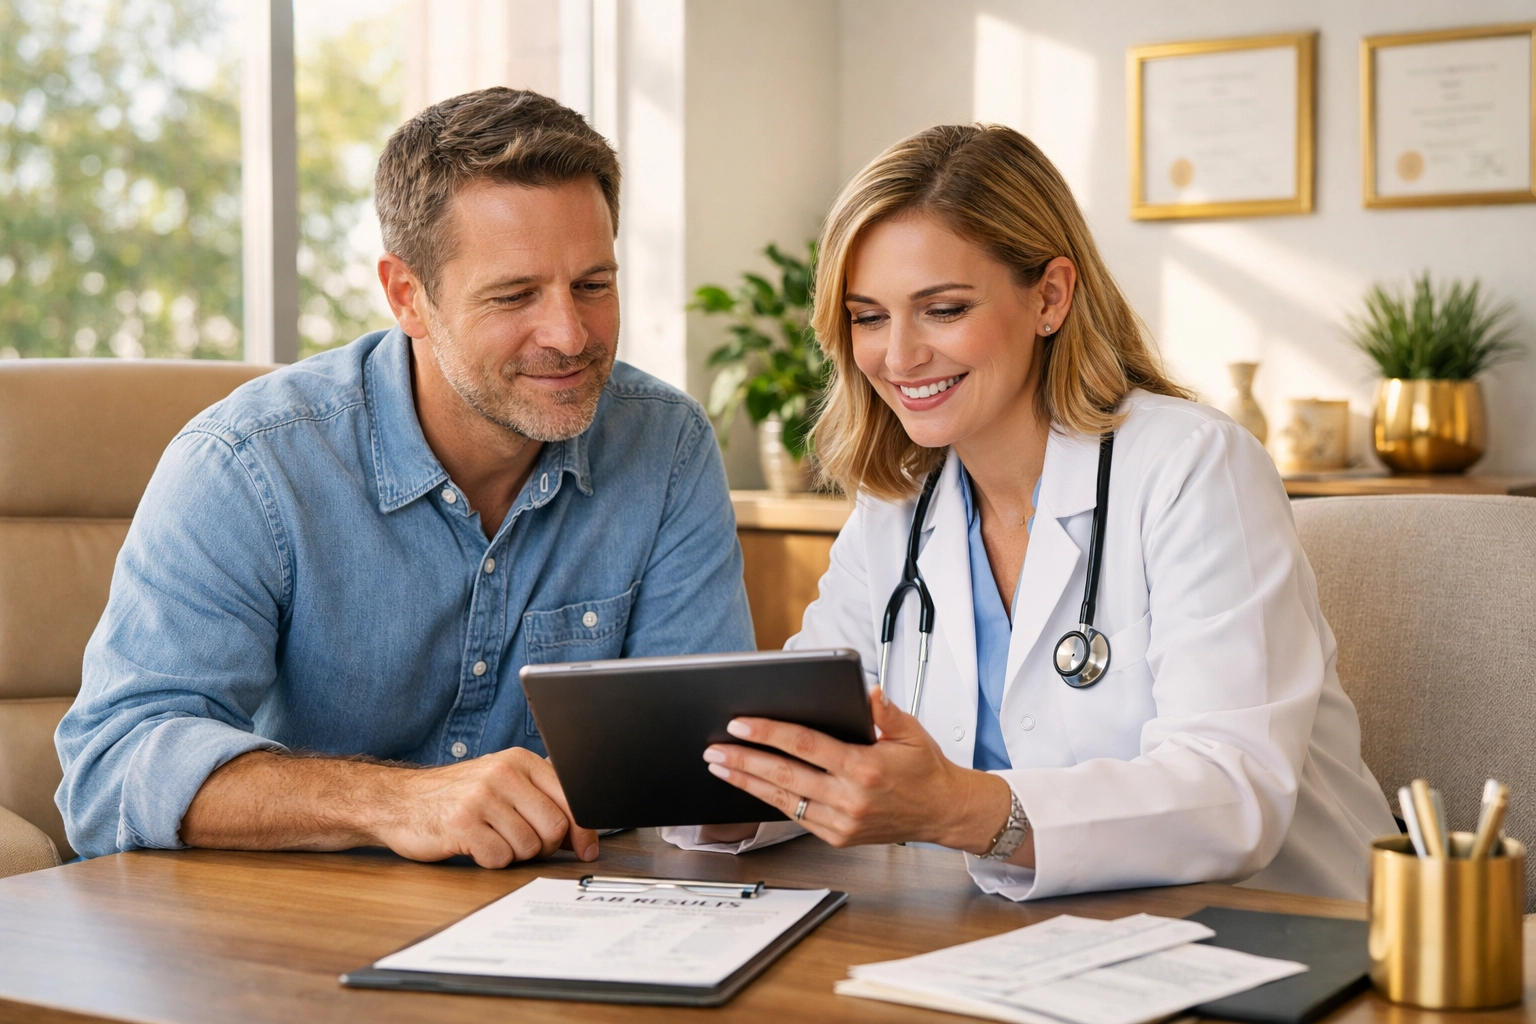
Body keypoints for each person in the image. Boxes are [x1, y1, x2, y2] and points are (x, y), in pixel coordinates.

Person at [693, 124, 1397, 900]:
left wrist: (960, 808)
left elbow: (1233, 791)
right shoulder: (897, 504)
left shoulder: (1193, 467)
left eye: (944, 309)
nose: (898, 356)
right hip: (1021, 948)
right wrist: (716, 794)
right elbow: (818, 744)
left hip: (1282, 937)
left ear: (1050, 298)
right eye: (868, 317)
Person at [55, 87, 754, 864]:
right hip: (292, 930)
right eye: (514, 294)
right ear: (407, 296)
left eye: (594, 284)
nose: (570, 334)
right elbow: (111, 772)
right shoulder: (248, 465)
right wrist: (393, 801)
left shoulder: (667, 446)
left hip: (561, 922)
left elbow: (703, 773)